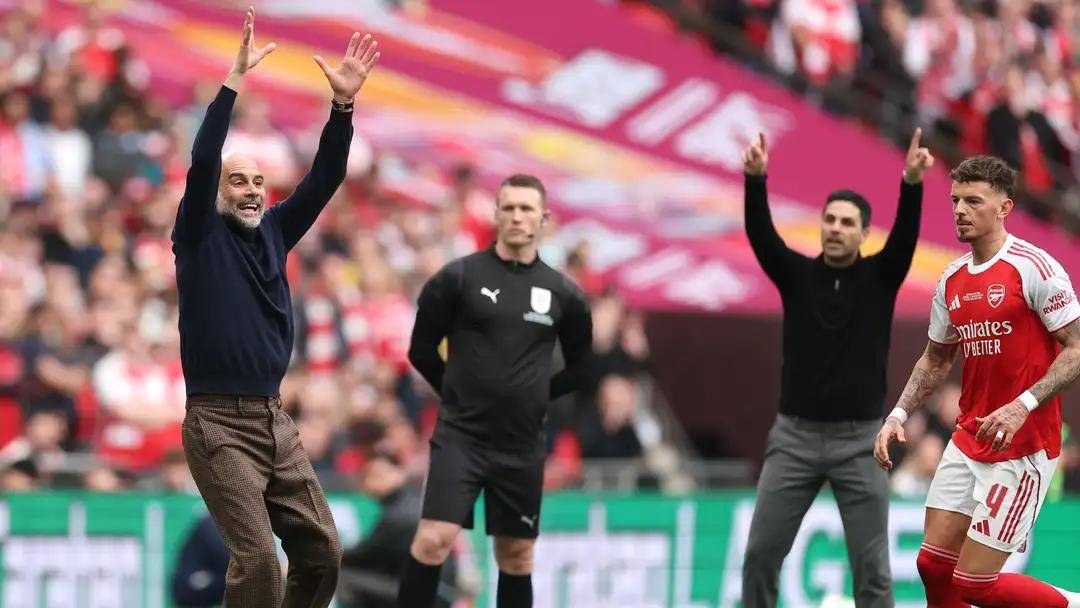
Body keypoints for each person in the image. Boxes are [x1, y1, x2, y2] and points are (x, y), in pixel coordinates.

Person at [171, 7, 380, 607]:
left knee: (322, 552)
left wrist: (343, 106)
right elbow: (204, 158)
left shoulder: (276, 231)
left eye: (259, 182)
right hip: (216, 422)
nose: (252, 191)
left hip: (273, 417)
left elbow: (327, 176)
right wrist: (233, 82)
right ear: (216, 193)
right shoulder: (198, 234)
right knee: (260, 559)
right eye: (239, 182)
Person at [875, 155, 1080, 607]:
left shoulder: (1035, 268)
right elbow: (935, 359)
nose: (960, 211)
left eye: (973, 201)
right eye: (955, 201)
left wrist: (1022, 404)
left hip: (1022, 446)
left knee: (975, 584)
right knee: (932, 566)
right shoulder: (952, 279)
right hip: (969, 437)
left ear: (1004, 207)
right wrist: (898, 414)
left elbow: (1077, 348)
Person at [740, 128, 933, 608]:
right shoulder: (797, 275)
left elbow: (904, 240)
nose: (835, 228)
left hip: (860, 442)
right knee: (760, 555)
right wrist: (756, 180)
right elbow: (763, 239)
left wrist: (911, 183)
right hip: (794, 439)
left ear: (864, 233)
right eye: (829, 219)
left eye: (847, 222)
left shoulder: (880, 277)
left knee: (872, 570)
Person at [397, 174, 594, 608]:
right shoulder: (458, 277)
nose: (517, 216)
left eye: (527, 209)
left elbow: (583, 367)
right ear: (496, 215)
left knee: (517, 554)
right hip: (461, 436)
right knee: (433, 539)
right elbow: (420, 349)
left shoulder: (564, 294)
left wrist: (536, 396)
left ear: (544, 218)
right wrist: (455, 392)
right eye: (509, 208)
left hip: (521, 444)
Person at [338, 451, 458, 608]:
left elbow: (363, 555)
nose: (372, 481)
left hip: (425, 595)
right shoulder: (413, 503)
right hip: (438, 593)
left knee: (342, 579)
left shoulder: (399, 514)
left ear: (400, 473)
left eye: (379, 475)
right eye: (367, 476)